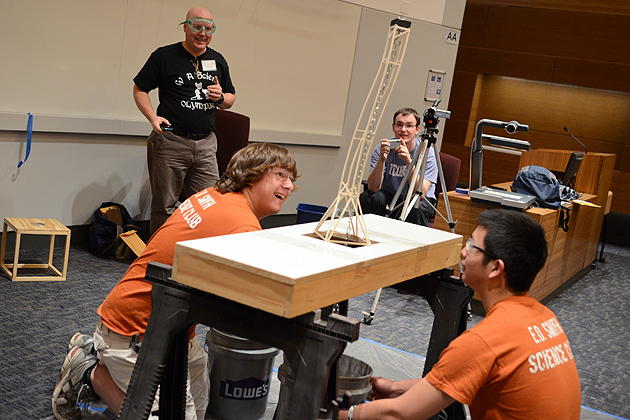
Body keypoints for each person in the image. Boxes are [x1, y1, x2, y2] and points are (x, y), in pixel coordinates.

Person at [51, 143, 299, 420]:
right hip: (134, 330)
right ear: (252, 174)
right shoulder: (241, 225)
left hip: (174, 329)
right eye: (280, 175)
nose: (288, 186)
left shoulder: (214, 194)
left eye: (291, 179)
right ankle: (89, 370)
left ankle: (98, 353)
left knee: (200, 408)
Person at [339, 209, 581, 420]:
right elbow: (457, 378)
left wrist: (341, 415)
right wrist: (395, 388)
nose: (463, 253)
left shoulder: (484, 341)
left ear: (496, 267)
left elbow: (399, 413)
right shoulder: (545, 318)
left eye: (471, 246)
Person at [133, 6, 237, 235]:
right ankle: (160, 261)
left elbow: (230, 98)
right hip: (171, 141)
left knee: (209, 204)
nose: (202, 33)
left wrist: (220, 97)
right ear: (185, 27)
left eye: (208, 28)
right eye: (197, 27)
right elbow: (140, 89)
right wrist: (153, 117)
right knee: (165, 206)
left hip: (206, 144)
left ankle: (196, 256)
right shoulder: (164, 56)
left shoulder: (218, 60)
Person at [359, 107, 438, 227]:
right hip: (392, 196)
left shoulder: (426, 152)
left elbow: (420, 192)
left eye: (409, 126)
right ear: (393, 127)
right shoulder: (382, 149)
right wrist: (381, 160)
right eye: (399, 125)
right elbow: (373, 187)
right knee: (367, 197)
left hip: (420, 200)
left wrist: (408, 161)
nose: (403, 130)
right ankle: (368, 236)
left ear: (417, 129)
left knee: (416, 208)